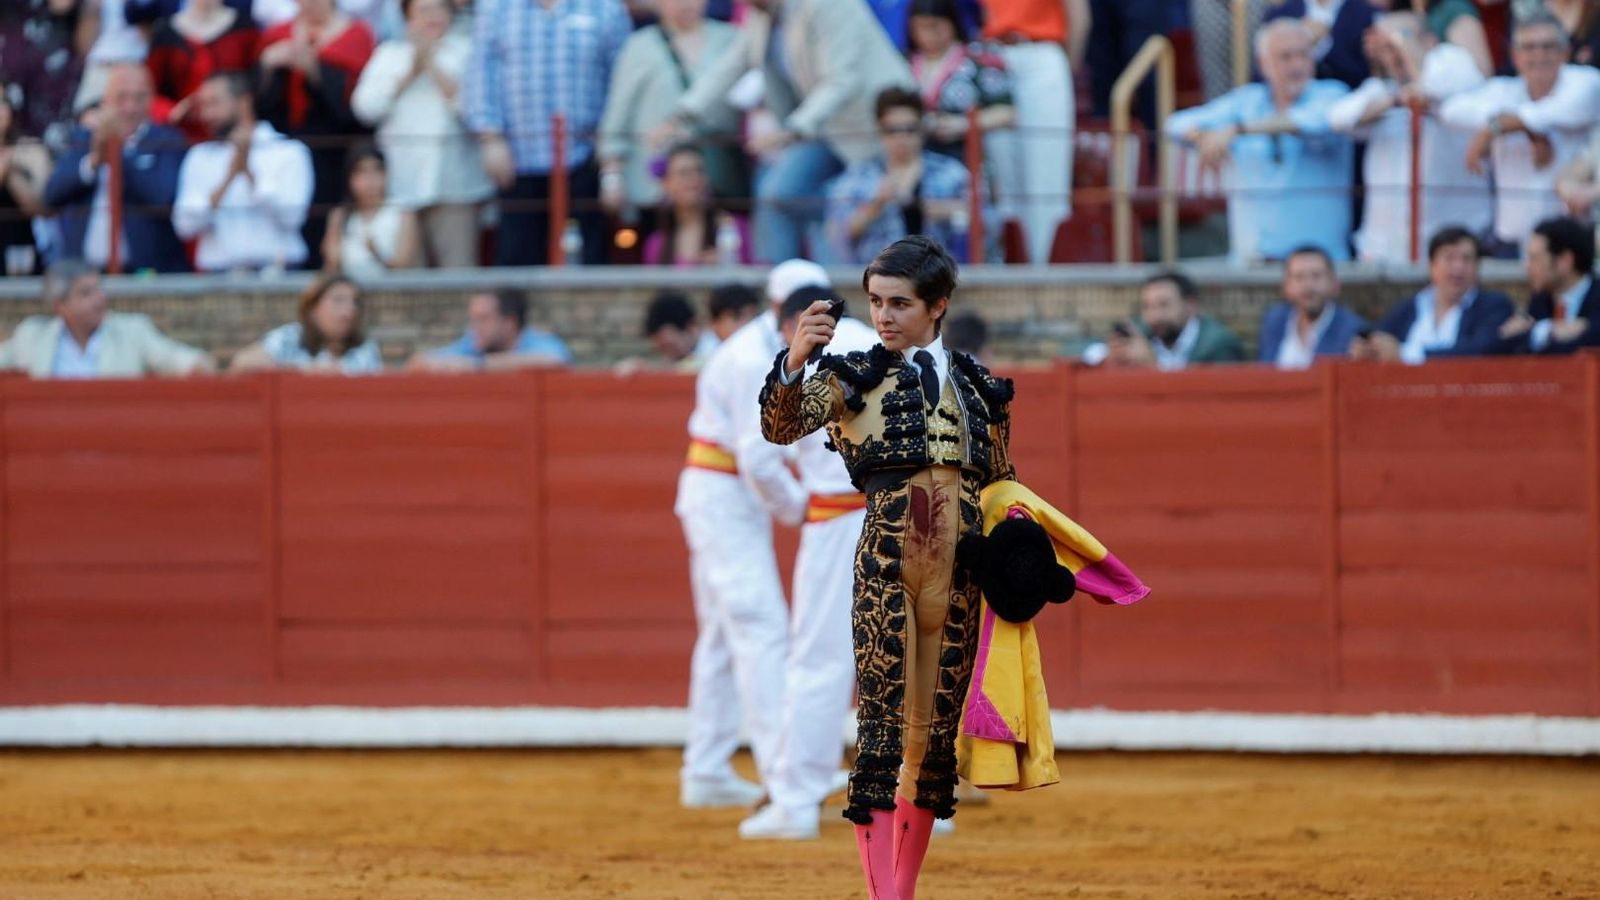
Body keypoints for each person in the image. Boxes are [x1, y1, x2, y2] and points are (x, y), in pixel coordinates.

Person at [759, 236, 1016, 898]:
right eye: (875, 302)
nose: (883, 316)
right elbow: (782, 425)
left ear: (938, 306)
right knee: (880, 731)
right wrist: (794, 357)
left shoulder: (979, 385)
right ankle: (887, 895)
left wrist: (1015, 549)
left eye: (899, 303)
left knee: (931, 745)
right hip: (885, 564)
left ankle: (904, 884)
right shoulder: (850, 374)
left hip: (957, 572)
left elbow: (1001, 484)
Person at [672, 259, 829, 812]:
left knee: (722, 636)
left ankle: (708, 768)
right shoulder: (750, 358)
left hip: (720, 495)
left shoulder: (756, 350)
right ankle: (781, 772)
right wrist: (802, 508)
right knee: (761, 626)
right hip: (724, 499)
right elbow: (757, 456)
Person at [737, 281, 879, 842]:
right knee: (904, 659)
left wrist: (796, 509)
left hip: (837, 522)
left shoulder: (810, 357)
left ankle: (796, 802)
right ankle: (915, 798)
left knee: (819, 662)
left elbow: (759, 455)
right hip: (910, 516)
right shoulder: (893, 346)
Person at [666, 0, 915, 263]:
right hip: (823, 128)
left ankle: (827, 287)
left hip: (876, 130)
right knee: (775, 194)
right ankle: (783, 288)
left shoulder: (831, 5)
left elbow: (843, 79)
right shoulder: (761, 15)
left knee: (818, 204)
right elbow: (729, 66)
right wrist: (682, 114)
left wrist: (792, 131)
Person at [1165, 18, 1354, 265]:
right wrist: (1207, 138)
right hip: (1253, 261)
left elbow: (1312, 121)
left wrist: (1235, 130)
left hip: (1319, 265)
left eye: (1304, 55)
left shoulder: (1332, 94)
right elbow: (1175, 125)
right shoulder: (1248, 101)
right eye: (1285, 57)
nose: (1297, 65)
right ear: (1264, 64)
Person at [463, 0, 630, 266]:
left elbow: (622, 81)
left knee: (588, 257)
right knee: (517, 261)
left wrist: (611, 157)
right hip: (517, 160)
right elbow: (481, 74)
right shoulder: (496, 8)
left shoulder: (605, 7)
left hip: (586, 157)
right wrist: (490, 138)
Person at [1326, 10, 1488, 264]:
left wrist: (1404, 43)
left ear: (1429, 40)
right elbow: (1339, 119)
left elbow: (1430, 84)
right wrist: (1395, 100)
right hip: (1386, 246)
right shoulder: (1381, 89)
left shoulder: (1453, 62)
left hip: (1452, 239)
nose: (1394, 55)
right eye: (1386, 48)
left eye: (1400, 42)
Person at [1439, 11, 1600, 259]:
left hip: (1571, 242)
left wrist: (1494, 128)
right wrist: (1523, 128)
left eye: (1548, 46)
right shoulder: (1504, 90)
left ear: (1565, 53)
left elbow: (1557, 111)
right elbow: (1450, 110)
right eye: (1529, 47)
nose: (1539, 55)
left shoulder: (1585, 82)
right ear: (1515, 56)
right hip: (1511, 239)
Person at [350, 0, 492, 269]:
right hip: (402, 188)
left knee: (458, 272)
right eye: (423, 10)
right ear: (407, 18)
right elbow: (365, 109)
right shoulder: (389, 54)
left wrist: (432, 65)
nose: (432, 17)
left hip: (455, 187)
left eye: (439, 9)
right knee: (408, 277)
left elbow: (475, 112)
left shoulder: (467, 51)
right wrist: (410, 72)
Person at [257, 0, 377, 269]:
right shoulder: (276, 35)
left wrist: (314, 69)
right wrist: (268, 65)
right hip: (287, 149)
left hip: (334, 151)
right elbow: (260, 102)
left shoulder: (357, 35)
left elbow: (356, 109)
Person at [598, 0, 742, 219]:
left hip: (718, 178)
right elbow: (618, 114)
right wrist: (612, 175)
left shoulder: (731, 38)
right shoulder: (640, 46)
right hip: (659, 182)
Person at [43, 64, 190, 274]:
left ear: (151, 100)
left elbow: (162, 196)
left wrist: (117, 151)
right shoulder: (82, 138)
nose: (130, 107)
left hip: (146, 273)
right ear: (106, 102)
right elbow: (52, 194)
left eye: (139, 98)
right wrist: (93, 162)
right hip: (85, 273)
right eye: (122, 98)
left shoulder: (168, 140)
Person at [978, 0, 1087, 266]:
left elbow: (1079, 15)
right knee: (1002, 178)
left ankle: (1045, 273)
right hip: (994, 55)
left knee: (1046, 176)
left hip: (1041, 51)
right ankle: (1008, 267)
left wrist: (1067, 64)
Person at [172, 71, 314, 272]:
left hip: (279, 275)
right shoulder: (199, 156)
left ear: (243, 103)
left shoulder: (289, 151)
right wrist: (229, 177)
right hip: (219, 278)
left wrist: (250, 173)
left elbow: (292, 218)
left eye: (214, 103)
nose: (206, 115)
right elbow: (184, 226)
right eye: (203, 105)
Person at [826, 87, 977, 264]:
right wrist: (875, 205)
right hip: (878, 281)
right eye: (892, 130)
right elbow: (836, 236)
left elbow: (988, 222)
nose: (901, 137)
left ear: (922, 129)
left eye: (910, 129)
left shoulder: (951, 173)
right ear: (879, 131)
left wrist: (944, 210)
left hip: (939, 279)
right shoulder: (858, 177)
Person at [0, 258, 215, 377]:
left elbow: (179, 359)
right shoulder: (33, 336)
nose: (99, 299)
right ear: (61, 306)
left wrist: (198, 364)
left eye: (98, 290)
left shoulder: (132, 331)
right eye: (86, 293)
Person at [1350, 226, 1514, 363]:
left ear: (1477, 268)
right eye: (1449, 258)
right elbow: (1378, 334)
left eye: (1466, 259)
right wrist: (1367, 346)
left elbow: (1478, 351)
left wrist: (1407, 355)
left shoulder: (1493, 306)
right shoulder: (1411, 306)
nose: (1458, 268)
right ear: (1432, 266)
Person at [905, 0, 1014, 161]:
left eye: (934, 26)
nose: (927, 35)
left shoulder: (977, 60)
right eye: (920, 27)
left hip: (965, 159)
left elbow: (1008, 112)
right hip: (916, 160)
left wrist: (964, 124)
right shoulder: (904, 63)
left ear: (952, 23)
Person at [144, 0, 261, 142]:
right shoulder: (165, 34)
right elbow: (149, 90)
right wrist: (172, 111)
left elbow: (255, 82)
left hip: (235, 132)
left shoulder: (245, 27)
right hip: (185, 135)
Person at [1091, 269, 1246, 370]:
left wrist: (1152, 366)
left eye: (1164, 305)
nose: (1154, 316)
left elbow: (1208, 402)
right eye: (1147, 306)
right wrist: (1111, 355)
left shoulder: (1220, 344)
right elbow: (1089, 351)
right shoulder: (1140, 330)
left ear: (1190, 306)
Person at [231, 274, 383, 374]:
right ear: (313, 308)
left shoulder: (365, 348)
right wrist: (303, 371)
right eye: (338, 301)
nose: (348, 311)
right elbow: (241, 363)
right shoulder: (289, 337)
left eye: (355, 303)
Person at [1497, 215, 1600, 353]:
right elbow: (1513, 343)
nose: (1527, 267)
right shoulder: (1540, 300)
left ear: (1565, 261)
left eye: (1535, 258)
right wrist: (1547, 330)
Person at [1257, 244, 1368, 368]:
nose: (1308, 285)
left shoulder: (1353, 330)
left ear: (1335, 284)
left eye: (1316, 276)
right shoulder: (1274, 321)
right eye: (1299, 277)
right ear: (1285, 287)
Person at [642, 143, 752, 267]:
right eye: (684, 173)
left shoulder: (732, 227)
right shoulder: (657, 243)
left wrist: (728, 263)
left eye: (699, 170)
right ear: (666, 183)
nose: (694, 178)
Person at [410, 288, 573, 371]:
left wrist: (478, 365)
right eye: (474, 319)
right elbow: (418, 363)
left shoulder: (536, 342)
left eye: (484, 319)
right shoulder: (471, 344)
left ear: (510, 323)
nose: (475, 327)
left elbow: (556, 359)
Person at [321, 144, 419, 277]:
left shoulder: (402, 213)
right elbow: (331, 266)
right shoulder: (340, 215)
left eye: (376, 170)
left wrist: (376, 253)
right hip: (350, 292)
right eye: (361, 172)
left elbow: (403, 266)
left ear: (386, 174)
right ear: (349, 178)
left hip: (392, 293)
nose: (369, 180)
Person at [1261, 0, 1378, 88]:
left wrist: (1324, 44)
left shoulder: (1368, 15)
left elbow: (1369, 78)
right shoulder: (1279, 14)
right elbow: (1260, 74)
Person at [0, 83, 53, 276]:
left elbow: (42, 207)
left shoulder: (31, 150)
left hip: (22, 253)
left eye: (3, 101)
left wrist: (10, 169)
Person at [643, 289, 719, 368]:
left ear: (692, 327)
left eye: (670, 347)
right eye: (662, 350)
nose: (668, 357)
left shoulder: (717, 352)